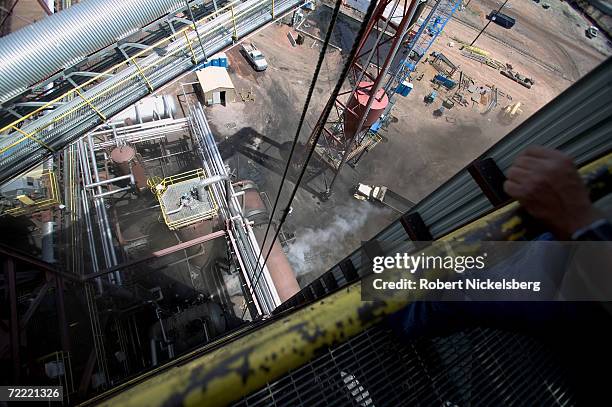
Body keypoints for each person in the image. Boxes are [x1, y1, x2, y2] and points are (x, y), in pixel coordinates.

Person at [387, 146, 612, 404]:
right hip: (578, 265)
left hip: (584, 296)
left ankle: (386, 311)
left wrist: (579, 220)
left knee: (461, 290)